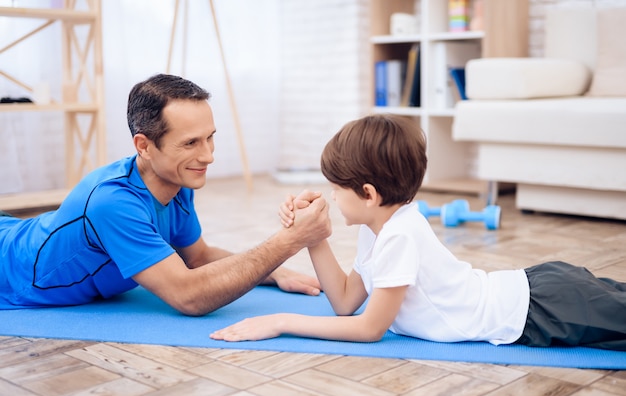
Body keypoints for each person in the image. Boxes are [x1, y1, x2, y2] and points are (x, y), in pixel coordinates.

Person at [211, 113, 626, 351]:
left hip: (539, 309)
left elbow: (369, 329)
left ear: (369, 194)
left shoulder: (398, 236)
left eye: (337, 190)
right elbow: (343, 302)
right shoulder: (378, 227)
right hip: (540, 290)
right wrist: (313, 236)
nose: (332, 198)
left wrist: (282, 321)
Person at [0, 73, 331, 315]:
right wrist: (287, 242)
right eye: (190, 143)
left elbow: (197, 257)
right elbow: (189, 296)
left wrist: (274, 273)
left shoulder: (177, 180)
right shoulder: (112, 203)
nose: (208, 156)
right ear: (144, 146)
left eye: (209, 138)